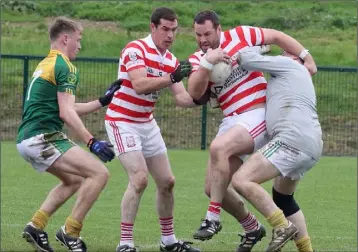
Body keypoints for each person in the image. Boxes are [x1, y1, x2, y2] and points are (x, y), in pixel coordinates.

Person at [187, 10, 317, 252]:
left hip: (256, 113)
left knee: (219, 148)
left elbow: (276, 37)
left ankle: (212, 218)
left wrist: (305, 55)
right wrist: (207, 62)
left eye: (207, 33)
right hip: (231, 121)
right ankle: (252, 227)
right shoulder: (197, 58)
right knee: (213, 187)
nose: (203, 39)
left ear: (218, 28)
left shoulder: (241, 35)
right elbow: (194, 92)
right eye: (198, 35)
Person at [17, 17, 120, 252]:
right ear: (66, 38)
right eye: (78, 40)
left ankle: (36, 226)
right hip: (42, 137)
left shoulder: (46, 63)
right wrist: (91, 142)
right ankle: (70, 232)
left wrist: (101, 101)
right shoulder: (66, 66)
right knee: (100, 173)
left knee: (73, 180)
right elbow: (66, 113)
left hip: (26, 139)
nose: (80, 46)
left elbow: (67, 107)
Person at [104, 7, 200, 252]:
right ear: (153, 27)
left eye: (174, 30)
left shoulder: (169, 60)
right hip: (122, 120)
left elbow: (181, 98)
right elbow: (139, 85)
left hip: (146, 123)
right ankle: (125, 243)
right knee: (139, 178)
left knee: (167, 182)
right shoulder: (135, 49)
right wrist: (172, 77)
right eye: (165, 29)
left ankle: (168, 241)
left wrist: (205, 96)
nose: (170, 35)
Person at [231, 48, 323, 252]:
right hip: (311, 143)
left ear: (293, 57)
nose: (279, 54)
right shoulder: (295, 76)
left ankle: (282, 227)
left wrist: (260, 47)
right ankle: (307, 250)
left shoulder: (289, 65)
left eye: (284, 51)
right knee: (283, 198)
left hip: (291, 140)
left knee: (241, 180)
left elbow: (245, 58)